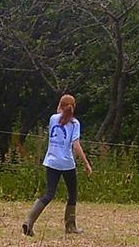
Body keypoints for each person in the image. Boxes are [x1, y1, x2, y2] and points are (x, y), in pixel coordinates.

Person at [22, 94, 93, 237]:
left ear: (60, 106)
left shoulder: (53, 119)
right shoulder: (75, 124)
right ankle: (70, 226)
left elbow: (59, 119)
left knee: (49, 194)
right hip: (67, 163)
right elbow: (76, 145)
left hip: (51, 161)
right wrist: (86, 163)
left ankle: (29, 221)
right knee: (72, 194)